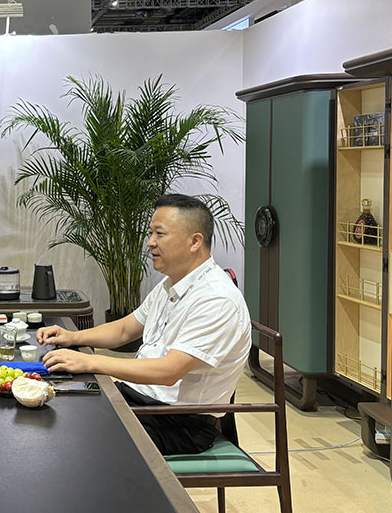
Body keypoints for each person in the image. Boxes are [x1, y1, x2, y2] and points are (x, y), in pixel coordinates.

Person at [39, 194, 250, 455]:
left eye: (160, 234)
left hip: (178, 423)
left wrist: (89, 362)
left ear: (195, 241)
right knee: (58, 405)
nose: (150, 242)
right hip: (140, 400)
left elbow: (168, 372)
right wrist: (71, 337)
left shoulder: (217, 299)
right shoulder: (171, 283)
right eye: (151, 233)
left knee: (74, 437)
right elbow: (124, 330)